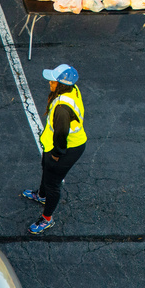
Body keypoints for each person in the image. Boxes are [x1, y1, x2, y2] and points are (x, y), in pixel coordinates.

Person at [22, 64, 87, 234]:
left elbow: (61, 134)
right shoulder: (71, 90)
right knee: (47, 170)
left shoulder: (62, 108)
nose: (50, 82)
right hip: (55, 145)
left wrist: (57, 155)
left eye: (53, 80)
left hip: (66, 149)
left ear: (61, 84)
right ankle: (41, 195)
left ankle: (47, 219)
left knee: (53, 184)